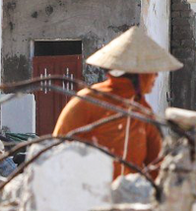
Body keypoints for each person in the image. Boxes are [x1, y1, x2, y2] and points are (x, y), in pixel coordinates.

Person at [53, 27, 180, 180]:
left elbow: (156, 167)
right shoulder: (87, 102)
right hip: (88, 197)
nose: (156, 76)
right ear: (135, 74)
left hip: (129, 198)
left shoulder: (142, 111)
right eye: (151, 70)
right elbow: (57, 154)